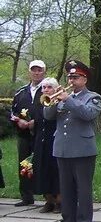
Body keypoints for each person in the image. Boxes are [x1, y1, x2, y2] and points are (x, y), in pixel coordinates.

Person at [45, 60, 101, 222]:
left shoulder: (93, 97)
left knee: (83, 188)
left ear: (84, 79)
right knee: (66, 187)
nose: (71, 81)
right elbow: (48, 116)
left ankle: (85, 221)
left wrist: (68, 99)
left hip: (83, 149)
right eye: (69, 77)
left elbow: (88, 114)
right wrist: (53, 100)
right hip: (63, 148)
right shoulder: (61, 96)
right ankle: (67, 220)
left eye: (75, 77)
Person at [10, 59, 46, 206]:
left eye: (39, 70)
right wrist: (18, 121)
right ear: (29, 72)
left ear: (44, 72)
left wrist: (34, 122)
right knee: (25, 164)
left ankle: (48, 196)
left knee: (42, 163)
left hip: (41, 134)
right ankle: (26, 196)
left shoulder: (48, 89)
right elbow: (12, 111)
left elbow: (51, 111)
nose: (36, 73)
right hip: (24, 135)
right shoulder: (21, 92)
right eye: (34, 70)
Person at [32, 77, 60, 213]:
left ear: (55, 88)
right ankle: (49, 200)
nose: (46, 90)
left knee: (56, 170)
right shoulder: (40, 102)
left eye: (49, 87)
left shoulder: (59, 101)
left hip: (54, 139)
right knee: (42, 169)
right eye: (44, 87)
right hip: (41, 140)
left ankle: (60, 201)